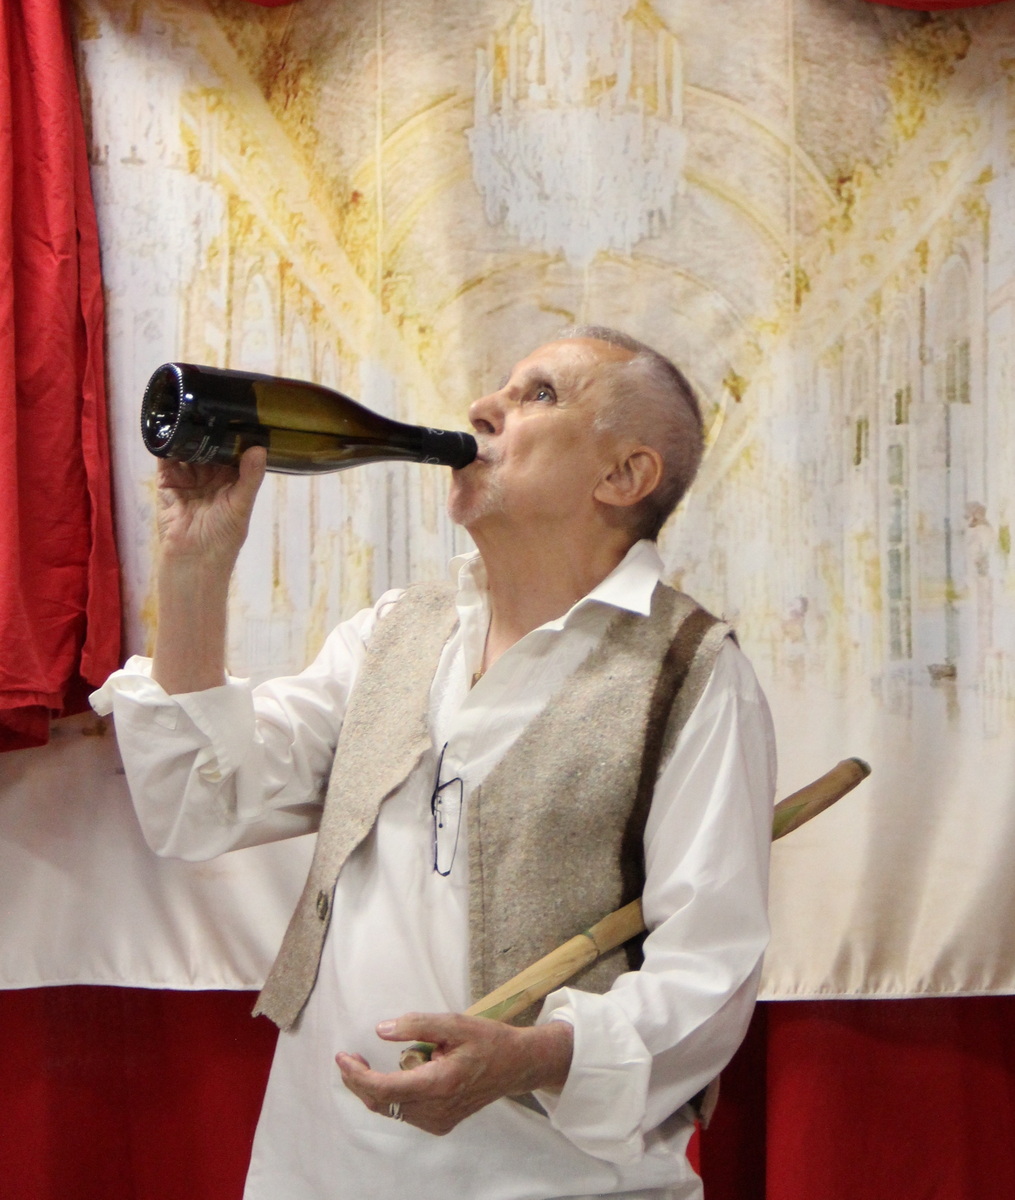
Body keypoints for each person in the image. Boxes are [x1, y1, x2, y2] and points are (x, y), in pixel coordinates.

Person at [92, 327, 776, 1200]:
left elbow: (707, 976)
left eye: (537, 394)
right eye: (502, 386)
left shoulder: (695, 675)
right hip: (320, 1171)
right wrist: (193, 566)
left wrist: (534, 1056)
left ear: (622, 476)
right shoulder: (393, 631)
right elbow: (198, 806)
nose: (482, 408)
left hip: (557, 1186)